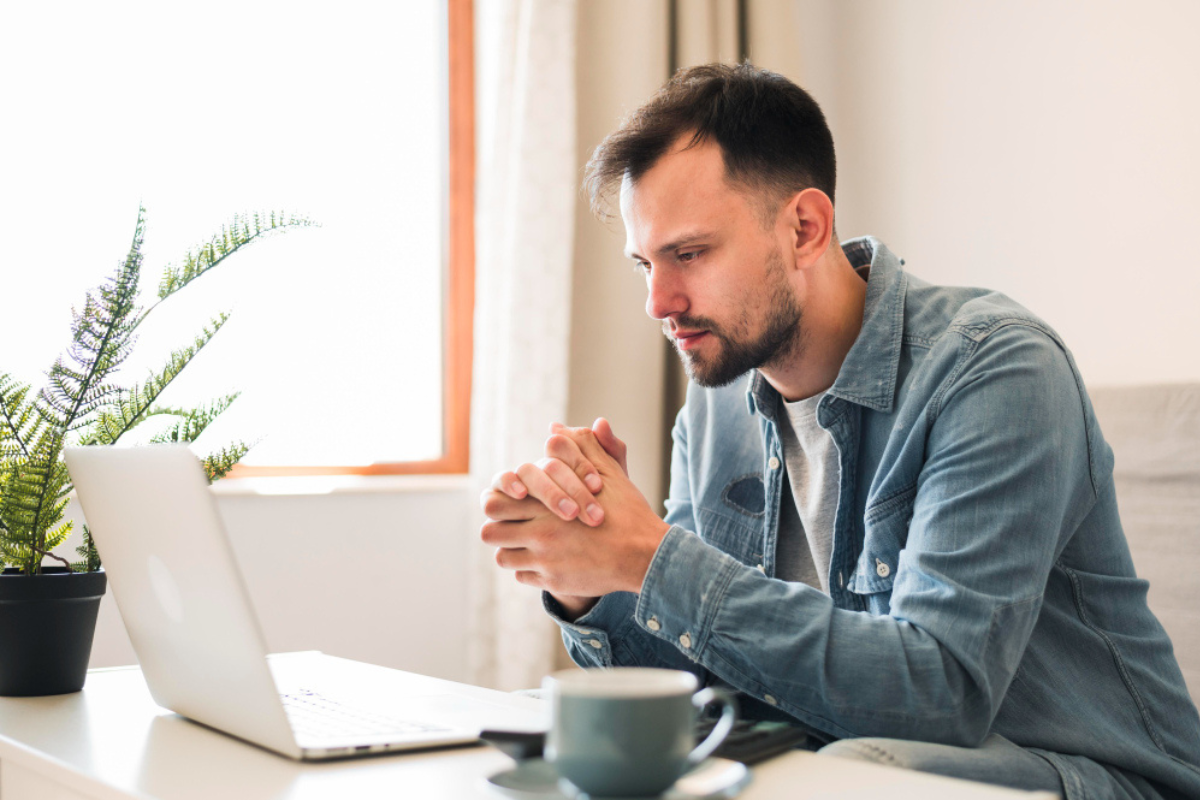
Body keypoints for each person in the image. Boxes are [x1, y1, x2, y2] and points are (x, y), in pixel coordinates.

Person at [478, 63, 1200, 799]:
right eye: (645, 263)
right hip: (846, 761)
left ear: (805, 228)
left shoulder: (996, 369)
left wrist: (651, 556)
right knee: (543, 733)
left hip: (1087, 775)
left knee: (848, 777)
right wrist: (595, 579)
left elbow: (941, 694)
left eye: (689, 254)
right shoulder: (718, 400)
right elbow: (695, 684)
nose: (658, 302)